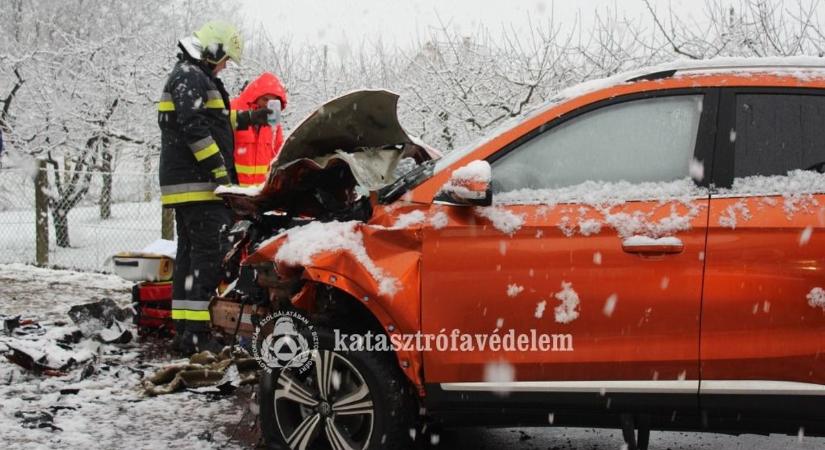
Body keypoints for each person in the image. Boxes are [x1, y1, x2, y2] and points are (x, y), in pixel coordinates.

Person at [157, 21, 271, 355]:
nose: (225, 66)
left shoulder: (193, 76)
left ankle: (185, 331)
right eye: (225, 60)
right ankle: (195, 335)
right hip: (199, 186)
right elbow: (195, 130)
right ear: (213, 51)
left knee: (190, 258)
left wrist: (254, 118)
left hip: (189, 186)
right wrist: (221, 174)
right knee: (207, 259)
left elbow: (218, 121)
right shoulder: (191, 77)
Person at [230, 72, 288, 186]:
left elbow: (278, 155)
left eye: (272, 102)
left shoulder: (274, 125)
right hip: (232, 190)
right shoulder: (234, 110)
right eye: (265, 99)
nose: (267, 105)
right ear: (255, 97)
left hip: (257, 194)